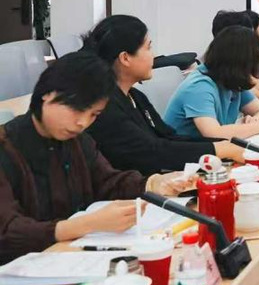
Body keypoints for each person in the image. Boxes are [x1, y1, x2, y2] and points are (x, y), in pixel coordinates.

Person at [0, 52, 195, 263]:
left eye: (94, 114)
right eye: (77, 110)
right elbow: (8, 232)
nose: (83, 123)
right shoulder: (7, 146)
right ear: (47, 94)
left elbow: (107, 182)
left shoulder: (78, 140)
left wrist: (154, 184)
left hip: (73, 257)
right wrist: (86, 224)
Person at [83, 15, 245, 175]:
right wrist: (220, 149)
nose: (153, 56)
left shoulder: (136, 96)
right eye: (148, 48)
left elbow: (168, 137)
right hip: (132, 188)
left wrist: (225, 145)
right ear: (125, 58)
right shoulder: (105, 106)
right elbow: (151, 151)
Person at [164, 26, 259, 140]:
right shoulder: (199, 86)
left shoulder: (232, 80)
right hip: (187, 155)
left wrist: (255, 121)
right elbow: (213, 134)